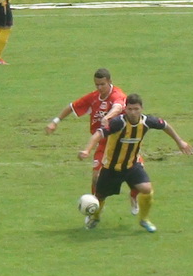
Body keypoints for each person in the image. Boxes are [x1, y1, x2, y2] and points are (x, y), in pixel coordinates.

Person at [78, 93, 193, 232]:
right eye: (130, 109)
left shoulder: (147, 121)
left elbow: (165, 126)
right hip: (111, 167)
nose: (133, 112)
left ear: (141, 109)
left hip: (132, 165)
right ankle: (95, 217)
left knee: (146, 189)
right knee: (100, 196)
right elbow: (98, 134)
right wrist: (87, 150)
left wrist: (180, 141)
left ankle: (144, 219)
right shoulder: (118, 123)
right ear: (125, 109)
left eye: (136, 109)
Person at [45, 68, 142, 215]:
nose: (99, 88)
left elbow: (118, 107)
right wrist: (55, 121)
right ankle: (95, 211)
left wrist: (107, 117)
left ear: (109, 82)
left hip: (124, 142)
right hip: (103, 143)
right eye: (96, 84)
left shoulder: (118, 95)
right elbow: (72, 107)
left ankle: (134, 197)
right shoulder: (94, 97)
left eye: (102, 84)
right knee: (96, 178)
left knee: (138, 178)